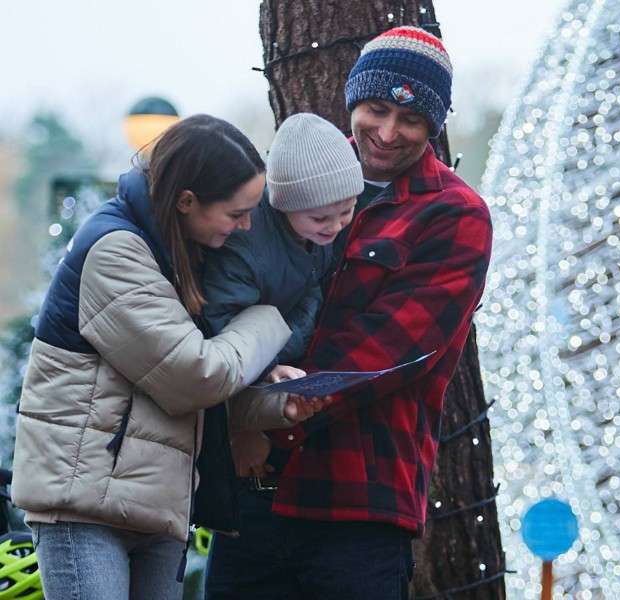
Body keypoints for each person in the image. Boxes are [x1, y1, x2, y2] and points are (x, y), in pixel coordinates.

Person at [204, 25, 493, 599]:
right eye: (376, 108)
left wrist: (258, 414)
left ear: (434, 125)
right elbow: (228, 290)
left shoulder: (456, 216)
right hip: (253, 493)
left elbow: (385, 355)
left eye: (411, 120)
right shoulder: (291, 178)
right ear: (353, 100)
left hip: (357, 502)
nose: (388, 132)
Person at [11, 115, 325, 600]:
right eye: (236, 213)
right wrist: (267, 317)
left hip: (155, 506)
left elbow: (174, 392)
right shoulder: (115, 252)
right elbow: (194, 376)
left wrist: (275, 403)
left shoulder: (184, 254)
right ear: (186, 202)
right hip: (87, 505)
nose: (247, 226)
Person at [201, 112, 363, 480]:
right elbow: (219, 322)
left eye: (346, 212)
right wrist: (267, 366)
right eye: (321, 218)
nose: (335, 226)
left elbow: (314, 288)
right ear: (284, 204)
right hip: (236, 375)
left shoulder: (321, 239)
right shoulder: (245, 244)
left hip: (280, 360)